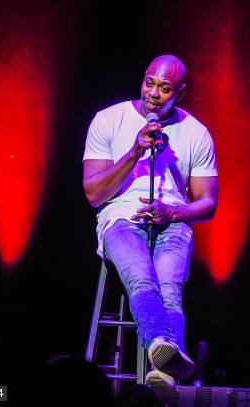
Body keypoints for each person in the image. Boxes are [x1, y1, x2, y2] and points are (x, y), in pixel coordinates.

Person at [83, 55, 219, 383]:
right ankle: (165, 349)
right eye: (149, 83)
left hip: (171, 220)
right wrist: (134, 153)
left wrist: (172, 211)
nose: (153, 93)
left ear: (180, 93)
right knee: (143, 276)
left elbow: (208, 203)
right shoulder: (108, 120)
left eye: (164, 88)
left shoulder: (196, 133)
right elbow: (93, 194)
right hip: (121, 217)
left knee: (169, 284)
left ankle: (164, 364)